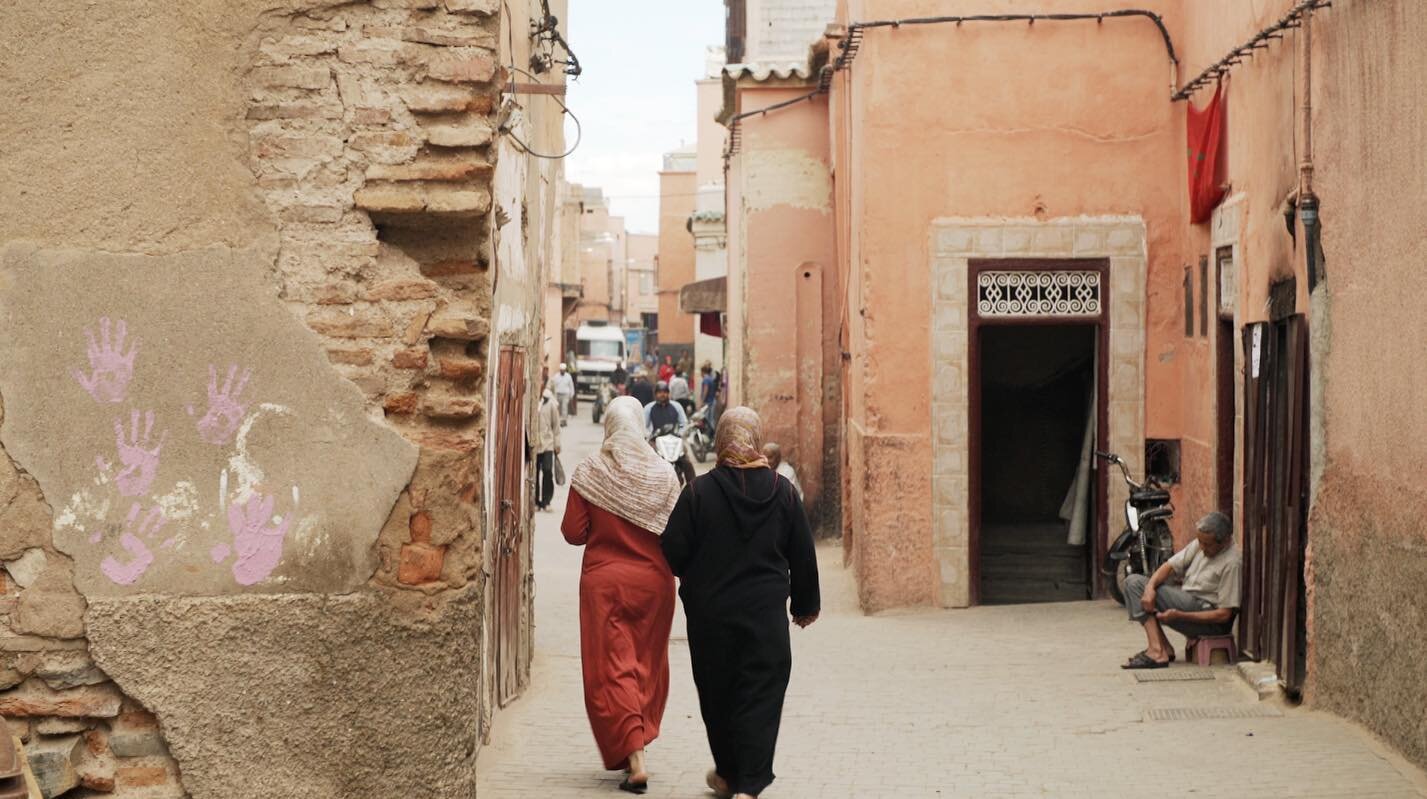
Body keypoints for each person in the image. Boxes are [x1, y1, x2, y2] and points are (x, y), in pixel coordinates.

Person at [660, 407, 820, 799]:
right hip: (765, 619)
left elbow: (673, 548)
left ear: (721, 440)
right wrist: (804, 605)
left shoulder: (698, 491)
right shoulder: (783, 491)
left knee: (718, 694)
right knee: (761, 695)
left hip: (711, 618)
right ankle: (748, 782)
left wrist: (695, 575)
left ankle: (731, 773)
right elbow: (802, 552)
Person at [563, 397, 683, 794]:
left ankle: (635, 757)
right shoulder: (664, 475)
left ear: (610, 428)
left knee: (614, 667)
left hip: (605, 588)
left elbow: (572, 532)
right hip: (654, 587)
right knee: (645, 664)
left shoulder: (591, 472)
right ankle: (638, 742)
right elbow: (679, 536)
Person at [1121, 511, 1242, 669]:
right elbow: (1170, 566)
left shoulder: (1232, 562)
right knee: (1143, 590)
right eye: (1201, 543)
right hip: (1188, 601)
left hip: (1209, 621)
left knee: (1134, 584)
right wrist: (1150, 588)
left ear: (1224, 541)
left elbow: (1224, 615)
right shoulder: (1201, 543)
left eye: (1208, 545)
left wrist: (1179, 615)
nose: (1202, 548)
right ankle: (1163, 648)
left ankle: (1157, 652)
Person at [645, 382, 694, 484]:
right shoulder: (649, 408)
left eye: (665, 392)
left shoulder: (677, 406)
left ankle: (693, 487)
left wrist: (680, 433)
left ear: (668, 393)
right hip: (656, 440)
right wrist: (649, 435)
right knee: (647, 462)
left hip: (675, 439)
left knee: (687, 462)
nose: (662, 394)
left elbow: (683, 423)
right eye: (659, 392)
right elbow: (644, 425)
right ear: (655, 394)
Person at [531, 384, 561, 512]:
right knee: (535, 473)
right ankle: (536, 502)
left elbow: (556, 426)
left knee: (548, 472)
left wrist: (557, 444)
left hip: (548, 444)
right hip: (535, 445)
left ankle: (546, 501)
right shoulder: (533, 403)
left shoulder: (551, 404)